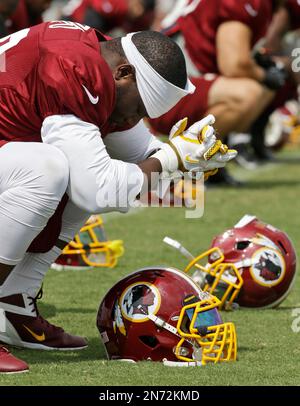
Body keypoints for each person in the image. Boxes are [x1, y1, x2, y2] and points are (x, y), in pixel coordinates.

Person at [0, 22, 236, 373]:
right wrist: (171, 159)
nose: (134, 119)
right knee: (48, 169)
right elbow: (97, 189)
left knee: (82, 168)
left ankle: (14, 301)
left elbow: (140, 152)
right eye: (139, 108)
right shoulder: (78, 68)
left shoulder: (103, 61)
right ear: (124, 73)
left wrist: (188, 159)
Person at [149, 0, 287, 176]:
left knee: (263, 88)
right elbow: (233, 64)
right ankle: (188, 163)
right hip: (167, 89)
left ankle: (209, 162)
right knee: (248, 92)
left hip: (173, 83)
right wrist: (264, 74)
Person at [62, 0, 156, 34]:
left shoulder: (139, 19)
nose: (138, 11)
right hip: (72, 18)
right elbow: (96, 10)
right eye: (138, 5)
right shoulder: (119, 4)